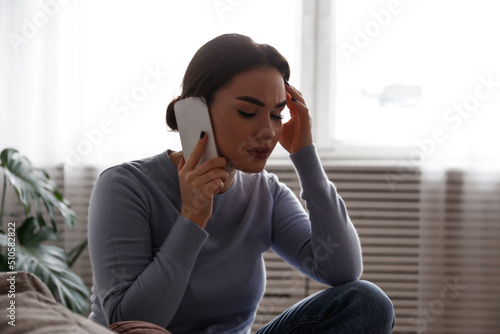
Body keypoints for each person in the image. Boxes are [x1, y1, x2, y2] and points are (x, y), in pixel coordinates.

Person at [88, 33, 395, 334]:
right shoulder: (125, 186)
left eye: (277, 115)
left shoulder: (265, 192)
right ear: (195, 110)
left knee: (366, 302)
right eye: (248, 112)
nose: (267, 131)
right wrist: (193, 218)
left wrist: (305, 156)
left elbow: (342, 271)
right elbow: (128, 323)